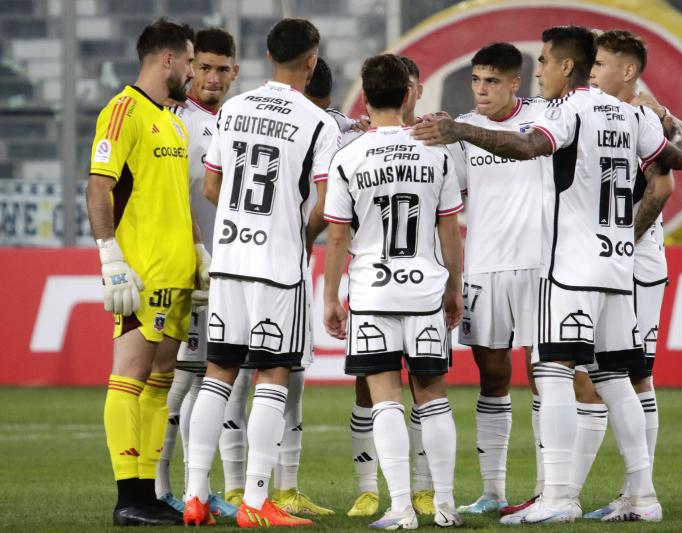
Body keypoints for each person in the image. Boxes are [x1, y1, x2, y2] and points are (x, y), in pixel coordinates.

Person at [414, 25, 682, 524]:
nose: (538, 69)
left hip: (571, 267)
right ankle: (644, 496)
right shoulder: (631, 114)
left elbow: (529, 148)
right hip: (616, 265)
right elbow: (678, 161)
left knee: (553, 373)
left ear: (568, 66)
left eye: (543, 60)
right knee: (616, 379)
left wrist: (463, 131)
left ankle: (557, 496)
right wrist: (666, 118)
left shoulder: (569, 110)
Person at [181, 18, 339, 527]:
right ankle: (254, 501)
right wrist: (297, 231)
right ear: (311, 60)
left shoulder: (233, 109)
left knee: (218, 373)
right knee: (273, 375)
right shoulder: (318, 121)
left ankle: (195, 496)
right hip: (278, 267)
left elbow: (211, 188)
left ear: (269, 55)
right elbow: (327, 204)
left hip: (229, 260)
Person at [324, 54, 465, 529]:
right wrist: (454, 288)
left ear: (365, 97)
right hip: (425, 292)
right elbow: (450, 231)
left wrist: (330, 297)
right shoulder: (436, 153)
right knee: (434, 399)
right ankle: (445, 505)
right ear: (408, 96)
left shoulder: (348, 157)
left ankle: (401, 508)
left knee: (385, 401)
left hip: (372, 294)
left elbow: (337, 238)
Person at [573, 29, 682, 520]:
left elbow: (670, 175)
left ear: (627, 71)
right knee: (605, 371)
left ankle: (639, 492)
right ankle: (626, 491)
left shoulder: (644, 115)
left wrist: (625, 239)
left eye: (601, 64)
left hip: (636, 261)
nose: (592, 72)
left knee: (636, 372)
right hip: (609, 259)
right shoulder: (596, 113)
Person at [85, 18, 203, 526]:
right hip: (143, 273)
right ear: (168, 59)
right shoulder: (123, 111)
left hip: (177, 273)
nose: (194, 72)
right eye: (191, 62)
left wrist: (198, 251)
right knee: (129, 376)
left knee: (160, 381)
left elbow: (177, 198)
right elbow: (98, 186)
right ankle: (127, 497)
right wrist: (110, 257)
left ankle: (149, 493)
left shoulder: (172, 121)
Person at [447, 42, 548, 516]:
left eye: (491, 81)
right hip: (484, 267)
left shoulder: (544, 120)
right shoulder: (463, 131)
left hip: (538, 266)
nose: (481, 90)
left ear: (514, 82)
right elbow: (451, 198)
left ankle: (549, 489)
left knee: (546, 377)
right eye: (475, 80)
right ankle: (493, 491)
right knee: (492, 377)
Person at [151, 27, 243, 520]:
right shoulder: (173, 119)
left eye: (222, 69)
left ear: (235, 71)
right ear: (190, 68)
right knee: (175, 383)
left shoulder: (236, 119)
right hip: (184, 268)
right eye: (203, 67)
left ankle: (198, 491)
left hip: (225, 268)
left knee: (211, 383)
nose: (212, 77)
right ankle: (163, 489)